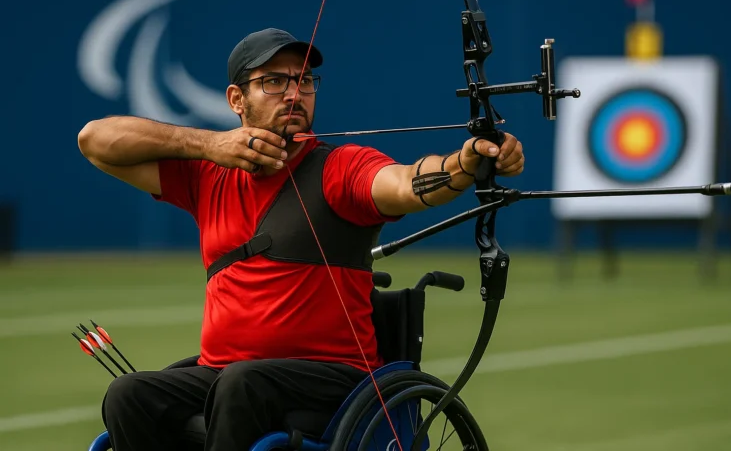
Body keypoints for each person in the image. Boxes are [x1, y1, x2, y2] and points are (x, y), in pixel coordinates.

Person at [77, 27, 525, 451]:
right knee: (128, 393)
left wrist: (465, 165)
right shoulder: (206, 174)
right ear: (237, 98)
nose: (294, 93)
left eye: (304, 80)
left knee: (241, 383)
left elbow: (407, 183)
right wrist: (208, 144)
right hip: (222, 372)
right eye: (274, 81)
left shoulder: (339, 168)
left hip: (331, 379)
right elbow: (94, 140)